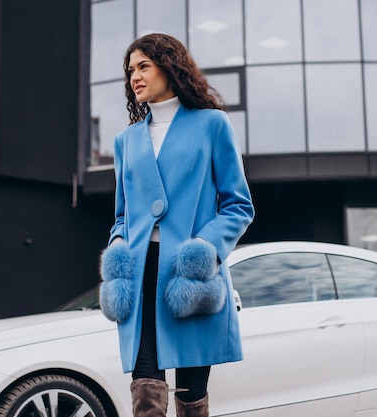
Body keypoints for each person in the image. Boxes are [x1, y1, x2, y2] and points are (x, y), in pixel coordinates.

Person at [99, 33, 255, 417]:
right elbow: (121, 215)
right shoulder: (126, 141)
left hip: (189, 272)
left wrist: (203, 251)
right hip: (140, 272)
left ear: (169, 67)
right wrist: (118, 246)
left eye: (143, 66)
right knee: (145, 383)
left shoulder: (211, 125)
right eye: (130, 70)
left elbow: (238, 205)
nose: (134, 76)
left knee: (190, 390)